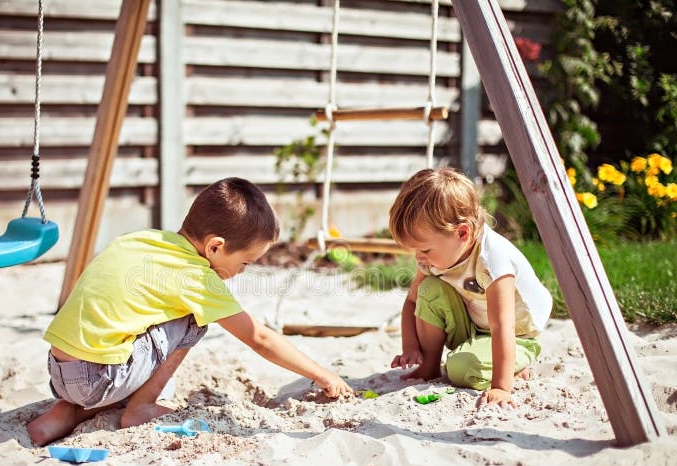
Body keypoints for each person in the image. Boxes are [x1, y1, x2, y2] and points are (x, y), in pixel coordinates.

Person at [27, 177, 353, 446]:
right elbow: (259, 338)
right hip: (98, 378)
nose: (241, 272)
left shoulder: (142, 240)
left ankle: (64, 414)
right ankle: (139, 408)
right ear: (215, 246)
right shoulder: (196, 276)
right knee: (192, 321)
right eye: (244, 263)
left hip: (60, 370)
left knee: (136, 326)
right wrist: (322, 375)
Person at [387, 168, 552, 408]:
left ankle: (515, 367)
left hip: (516, 335)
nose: (419, 258)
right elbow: (412, 301)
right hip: (475, 325)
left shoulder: (492, 260)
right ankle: (430, 366)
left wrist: (500, 388)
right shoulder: (437, 256)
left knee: (462, 370)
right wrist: (410, 347)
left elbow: (502, 326)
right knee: (429, 289)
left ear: (462, 233)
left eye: (424, 250)